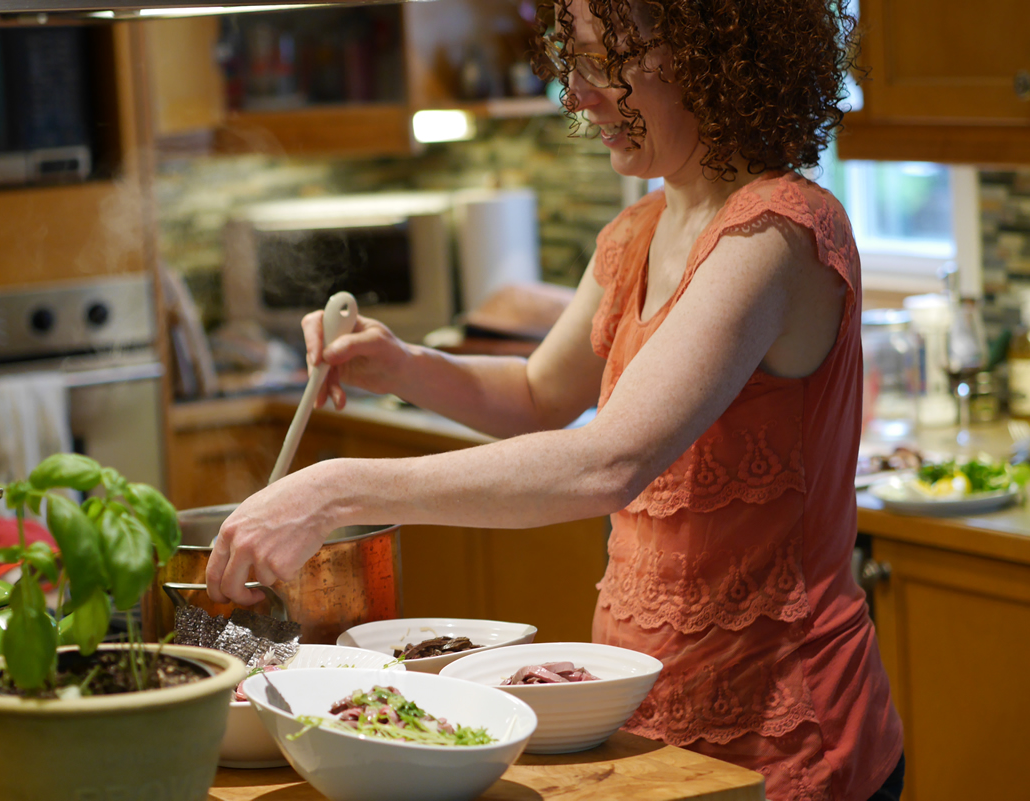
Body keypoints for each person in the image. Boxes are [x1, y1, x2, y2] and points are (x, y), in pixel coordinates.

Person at [206, 0, 904, 797]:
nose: (577, 93)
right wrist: (401, 364)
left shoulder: (778, 232)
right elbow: (539, 392)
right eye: (574, 59)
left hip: (789, 733)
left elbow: (607, 462)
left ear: (709, 53)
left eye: (604, 61)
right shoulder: (641, 230)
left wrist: (335, 489)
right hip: (647, 719)